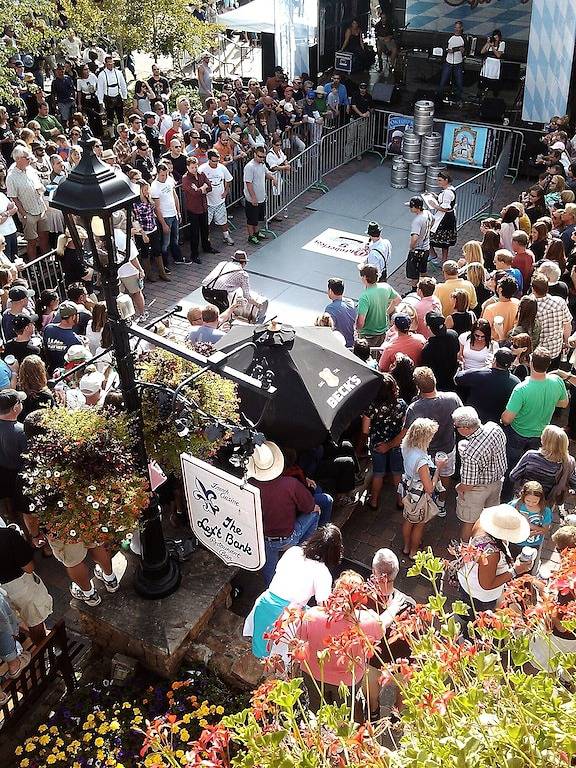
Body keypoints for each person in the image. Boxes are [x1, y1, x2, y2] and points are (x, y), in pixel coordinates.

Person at [243, 525, 342, 661]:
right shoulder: (322, 573)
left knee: (260, 648)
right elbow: (323, 606)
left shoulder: (293, 551)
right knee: (279, 657)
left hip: (264, 603)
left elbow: (279, 570)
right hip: (286, 618)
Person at [296, 571, 383, 720]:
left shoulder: (314, 614)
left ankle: (319, 730)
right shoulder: (370, 621)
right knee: (342, 713)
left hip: (313, 674)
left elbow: (301, 636)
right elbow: (380, 634)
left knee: (317, 710)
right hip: (348, 680)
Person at [246, 441, 320, 585]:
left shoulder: (251, 487)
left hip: (263, 540)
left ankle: (272, 591)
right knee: (315, 511)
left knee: (270, 580)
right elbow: (309, 506)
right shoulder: (290, 484)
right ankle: (304, 552)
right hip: (288, 537)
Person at [501, 346, 569, 499]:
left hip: (518, 433)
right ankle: (531, 498)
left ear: (531, 363)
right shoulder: (557, 381)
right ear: (549, 364)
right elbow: (563, 403)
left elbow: (507, 418)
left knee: (512, 468)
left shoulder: (521, 389)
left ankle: (506, 498)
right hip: (540, 435)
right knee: (535, 470)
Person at [455, 504, 532, 616]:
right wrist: (515, 570)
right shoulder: (491, 554)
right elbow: (486, 585)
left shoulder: (481, 523)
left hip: (468, 582)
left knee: (466, 609)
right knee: (475, 618)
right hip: (479, 595)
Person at [404, 367, 462, 508]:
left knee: (424, 480)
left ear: (417, 387)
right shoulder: (452, 398)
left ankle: (426, 504)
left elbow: (406, 432)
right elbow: (460, 420)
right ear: (434, 380)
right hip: (447, 448)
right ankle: (441, 502)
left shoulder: (414, 407)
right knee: (445, 475)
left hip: (425, 452)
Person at [452, 406, 507, 541]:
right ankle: (488, 542)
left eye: (456, 426)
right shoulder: (494, 427)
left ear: (465, 428)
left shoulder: (470, 452)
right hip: (498, 481)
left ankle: (465, 549)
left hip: (479, 489)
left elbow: (468, 485)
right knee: (491, 518)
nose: (456, 428)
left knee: (469, 521)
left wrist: (458, 487)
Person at [360, 373, 406, 511]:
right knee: (398, 473)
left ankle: (374, 501)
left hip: (377, 444)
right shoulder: (401, 404)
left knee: (378, 473)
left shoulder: (371, 407)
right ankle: (400, 501)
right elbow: (405, 426)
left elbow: (365, 430)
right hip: (397, 443)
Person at [400, 417, 445, 558]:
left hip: (407, 490)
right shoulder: (422, 461)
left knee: (408, 520)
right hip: (418, 496)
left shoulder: (406, 446)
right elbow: (430, 488)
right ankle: (414, 552)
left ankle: (406, 547)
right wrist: (438, 468)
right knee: (419, 523)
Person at [0, 523, 52, 645]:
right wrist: (27, 547)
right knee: (35, 621)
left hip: (2, 592)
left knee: (9, 620)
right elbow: (29, 568)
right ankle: (43, 652)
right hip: (20, 587)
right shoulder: (8, 535)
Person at [509, 424, 576, 504]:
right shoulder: (569, 462)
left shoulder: (530, 456)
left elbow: (513, 476)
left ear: (544, 440)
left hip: (525, 499)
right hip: (547, 503)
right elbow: (574, 483)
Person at [455, 347, 519, 424]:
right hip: (496, 423)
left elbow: (457, 378)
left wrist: (460, 367)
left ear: (494, 360)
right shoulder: (516, 382)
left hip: (474, 420)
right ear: (510, 364)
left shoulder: (479, 374)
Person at [6, 146, 49, 261]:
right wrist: (24, 214)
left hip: (40, 208)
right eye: (27, 158)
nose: (30, 160)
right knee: (32, 241)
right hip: (28, 213)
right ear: (18, 159)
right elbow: (13, 197)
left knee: (44, 236)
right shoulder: (11, 177)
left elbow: (38, 184)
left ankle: (47, 261)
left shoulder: (30, 169)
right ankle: (34, 266)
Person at [181, 156, 218, 264]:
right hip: (193, 209)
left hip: (203, 207)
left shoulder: (201, 174)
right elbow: (194, 193)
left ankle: (207, 247)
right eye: (192, 167)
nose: (194, 169)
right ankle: (194, 254)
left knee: (205, 229)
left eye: (195, 167)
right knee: (195, 233)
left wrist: (200, 189)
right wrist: (203, 188)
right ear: (187, 167)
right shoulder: (186, 179)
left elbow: (210, 187)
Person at [531, 273, 572, 368]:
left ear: (533, 289)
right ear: (547, 288)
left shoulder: (530, 305)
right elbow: (567, 325)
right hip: (555, 349)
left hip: (537, 352)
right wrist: (566, 342)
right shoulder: (560, 302)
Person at [356, 264, 400, 348]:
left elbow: (361, 322)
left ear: (365, 278)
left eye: (361, 275)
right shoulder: (385, 287)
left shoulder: (364, 297)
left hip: (368, 335)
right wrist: (387, 312)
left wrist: (357, 330)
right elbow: (398, 300)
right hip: (383, 331)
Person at [509, 481, 552, 564]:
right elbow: (506, 522)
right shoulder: (515, 505)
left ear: (541, 499)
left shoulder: (545, 511)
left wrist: (530, 527)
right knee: (512, 562)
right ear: (523, 496)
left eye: (535, 501)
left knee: (528, 564)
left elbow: (545, 530)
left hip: (532, 544)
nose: (531, 504)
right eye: (528, 500)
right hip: (514, 541)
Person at [0, 390, 27, 522]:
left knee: (7, 503)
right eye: (20, 402)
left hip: (2, 472)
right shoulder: (21, 431)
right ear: (15, 408)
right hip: (17, 475)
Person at [199, 150, 235, 247]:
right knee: (207, 223)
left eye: (217, 161)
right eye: (214, 161)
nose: (216, 163)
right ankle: (207, 240)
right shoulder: (202, 169)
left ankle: (226, 236)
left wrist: (226, 192)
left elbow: (228, 179)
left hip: (220, 201)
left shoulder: (222, 167)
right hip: (207, 202)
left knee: (223, 220)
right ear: (209, 159)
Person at [150, 163, 183, 266]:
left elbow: (175, 196)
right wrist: (163, 224)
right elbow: (157, 208)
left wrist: (178, 212)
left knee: (175, 238)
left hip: (173, 214)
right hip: (165, 217)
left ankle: (177, 258)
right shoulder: (154, 187)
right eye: (162, 175)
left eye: (166, 174)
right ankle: (164, 264)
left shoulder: (169, 180)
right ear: (157, 174)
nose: (164, 177)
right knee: (165, 242)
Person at [244, 147, 276, 245]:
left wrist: (273, 178)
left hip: (261, 197)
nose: (262, 159)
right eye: (260, 156)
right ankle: (251, 236)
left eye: (263, 157)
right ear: (254, 154)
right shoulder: (249, 167)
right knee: (251, 219)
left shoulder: (262, 165)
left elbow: (266, 173)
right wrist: (253, 197)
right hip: (252, 199)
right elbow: (248, 183)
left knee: (257, 217)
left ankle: (257, 233)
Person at [420, 311, 460, 391]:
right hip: (454, 382)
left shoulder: (427, 349)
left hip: (439, 387)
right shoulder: (454, 335)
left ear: (428, 327)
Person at [43, 301, 84, 372]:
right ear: (73, 317)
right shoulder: (75, 340)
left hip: (51, 372)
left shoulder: (48, 329)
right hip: (66, 375)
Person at [429, 172, 457, 265]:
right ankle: (443, 259)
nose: (438, 182)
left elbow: (445, 208)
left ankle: (433, 255)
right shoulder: (450, 190)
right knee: (445, 241)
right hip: (449, 217)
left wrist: (434, 205)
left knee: (428, 236)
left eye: (440, 180)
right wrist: (436, 197)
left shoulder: (447, 193)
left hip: (444, 218)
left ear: (446, 180)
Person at [481, 275, 520, 340]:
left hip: (495, 344)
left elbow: (484, 330)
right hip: (512, 342)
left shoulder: (490, 309)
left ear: (500, 289)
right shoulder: (517, 304)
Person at [406, 197, 433, 291]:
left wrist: (412, 247)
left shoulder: (417, 221)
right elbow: (433, 221)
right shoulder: (428, 213)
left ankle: (414, 291)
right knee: (423, 269)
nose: (410, 208)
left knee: (414, 273)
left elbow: (415, 237)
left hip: (417, 250)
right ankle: (426, 288)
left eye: (411, 206)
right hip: (426, 248)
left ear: (417, 207)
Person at [96, 56, 128, 134]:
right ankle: (112, 135)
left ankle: (122, 132)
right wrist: (101, 102)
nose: (111, 65)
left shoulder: (118, 73)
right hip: (108, 97)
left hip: (117, 96)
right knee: (110, 118)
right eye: (109, 63)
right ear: (105, 64)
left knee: (120, 116)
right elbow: (100, 89)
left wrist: (125, 96)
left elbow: (123, 85)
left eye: (112, 63)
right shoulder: (102, 75)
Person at [324, 278, 357, 348]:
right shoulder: (350, 302)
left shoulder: (330, 309)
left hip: (340, 346)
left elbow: (327, 330)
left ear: (330, 291)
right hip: (352, 344)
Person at [439, 20, 465, 101]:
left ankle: (458, 98)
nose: (457, 29)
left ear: (461, 28)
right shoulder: (450, 37)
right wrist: (447, 50)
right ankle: (439, 97)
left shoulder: (463, 38)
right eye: (456, 27)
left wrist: (463, 50)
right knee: (443, 80)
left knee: (459, 82)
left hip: (458, 63)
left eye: (458, 28)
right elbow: (444, 47)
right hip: (448, 62)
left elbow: (466, 50)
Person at [479, 29, 505, 96]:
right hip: (488, 63)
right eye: (494, 38)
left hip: (495, 64)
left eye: (497, 38)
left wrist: (493, 46)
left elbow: (498, 55)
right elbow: (482, 52)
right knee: (484, 79)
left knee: (494, 81)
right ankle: (482, 93)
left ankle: (494, 95)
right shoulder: (490, 43)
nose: (495, 39)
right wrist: (487, 43)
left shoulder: (502, 44)